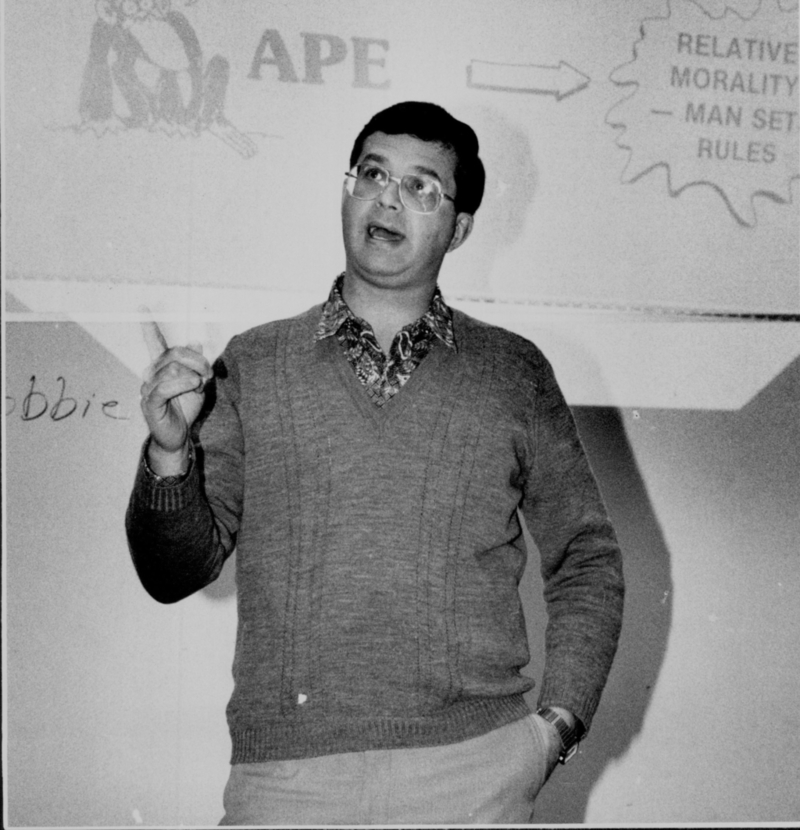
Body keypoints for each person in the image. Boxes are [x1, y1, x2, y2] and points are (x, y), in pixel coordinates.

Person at [126, 100, 625, 825]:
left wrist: (557, 727)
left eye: (422, 186)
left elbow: (587, 557)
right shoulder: (255, 364)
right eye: (372, 173)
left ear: (459, 228)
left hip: (473, 777)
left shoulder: (512, 372)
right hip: (288, 783)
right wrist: (169, 451)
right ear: (346, 190)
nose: (389, 197)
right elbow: (174, 572)